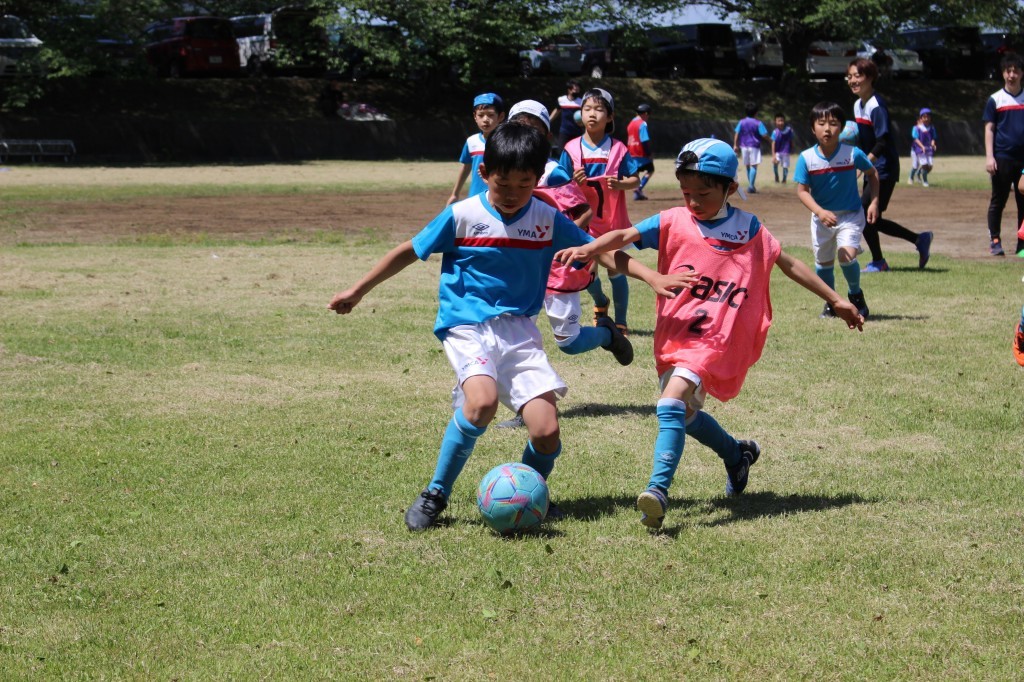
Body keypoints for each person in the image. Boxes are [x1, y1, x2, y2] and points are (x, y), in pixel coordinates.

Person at [328, 122, 694, 531]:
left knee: (546, 431)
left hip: (520, 332)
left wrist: (652, 277)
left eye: (525, 184)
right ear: (484, 173)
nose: (514, 193)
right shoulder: (462, 216)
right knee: (481, 403)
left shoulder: (545, 218)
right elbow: (407, 252)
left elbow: (602, 253)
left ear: (539, 179)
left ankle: (526, 489)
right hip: (467, 326)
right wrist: (358, 290)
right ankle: (436, 493)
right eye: (504, 184)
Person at [554, 138, 864, 530]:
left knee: (669, 405)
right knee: (683, 414)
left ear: (730, 189)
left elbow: (787, 263)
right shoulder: (673, 220)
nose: (694, 201)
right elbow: (620, 240)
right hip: (677, 333)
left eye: (703, 193)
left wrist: (836, 299)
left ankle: (657, 492)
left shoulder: (749, 228)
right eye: (687, 192)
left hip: (718, 336)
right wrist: (592, 250)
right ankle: (737, 455)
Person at [556, 87, 642, 335]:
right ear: (580, 114)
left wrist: (621, 183)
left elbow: (635, 179)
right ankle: (600, 302)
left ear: (610, 116)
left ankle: (621, 321)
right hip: (584, 222)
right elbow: (559, 185)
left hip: (613, 222)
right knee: (584, 271)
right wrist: (573, 180)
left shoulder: (618, 148)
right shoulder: (571, 148)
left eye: (599, 109)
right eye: (587, 109)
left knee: (616, 269)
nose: (592, 114)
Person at [793, 102, 879, 320]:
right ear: (813, 129)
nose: (827, 128)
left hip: (850, 215)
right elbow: (802, 191)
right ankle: (832, 303)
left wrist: (874, 202)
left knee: (845, 255)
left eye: (833, 123)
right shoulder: (806, 158)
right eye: (821, 123)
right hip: (821, 218)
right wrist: (820, 212)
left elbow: (872, 173)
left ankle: (855, 295)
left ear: (842, 128)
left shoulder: (852, 154)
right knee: (823, 265)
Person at [847, 57, 934, 271]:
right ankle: (918, 240)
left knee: (866, 214)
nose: (852, 80)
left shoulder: (877, 105)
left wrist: (864, 164)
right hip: (872, 165)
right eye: (849, 76)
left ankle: (880, 260)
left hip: (884, 166)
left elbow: (882, 141)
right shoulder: (858, 105)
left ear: (870, 78)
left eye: (857, 76)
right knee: (870, 217)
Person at [983, 52, 1024, 257]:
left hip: (1023, 160)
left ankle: (1022, 244)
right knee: (998, 201)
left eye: (1016, 71)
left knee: (1023, 201)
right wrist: (990, 156)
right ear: (1003, 73)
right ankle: (995, 240)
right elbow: (989, 129)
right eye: (1008, 71)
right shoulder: (995, 100)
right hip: (1002, 159)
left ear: (1021, 73)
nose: (1012, 75)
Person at [446, 93, 505, 206]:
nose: (485, 119)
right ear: (475, 117)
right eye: (481, 115)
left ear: (501, 117)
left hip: (500, 198)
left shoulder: (507, 142)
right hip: (476, 197)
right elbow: (466, 167)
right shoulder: (471, 142)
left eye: (491, 115)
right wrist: (455, 193)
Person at [733, 101, 769, 194]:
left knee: (748, 166)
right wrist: (770, 140)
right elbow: (763, 134)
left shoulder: (742, 122)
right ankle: (751, 186)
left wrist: (735, 145)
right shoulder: (758, 123)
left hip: (744, 146)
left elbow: (737, 133)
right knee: (754, 166)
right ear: (756, 112)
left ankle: (751, 185)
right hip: (754, 146)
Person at [627, 103, 655, 200]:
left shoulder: (631, 123)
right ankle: (639, 188)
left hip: (631, 151)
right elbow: (644, 140)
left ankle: (637, 195)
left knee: (637, 172)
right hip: (640, 152)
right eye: (648, 115)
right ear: (645, 113)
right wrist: (649, 153)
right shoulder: (642, 124)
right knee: (651, 169)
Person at [548, 79, 583, 155]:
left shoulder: (581, 102)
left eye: (578, 89)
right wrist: (548, 120)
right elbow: (557, 111)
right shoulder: (562, 100)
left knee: (576, 154)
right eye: (574, 89)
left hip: (577, 132)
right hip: (564, 132)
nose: (576, 91)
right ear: (569, 90)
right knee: (561, 153)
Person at [909, 108, 937, 187]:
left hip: (928, 149)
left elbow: (933, 138)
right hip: (919, 149)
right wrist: (922, 147)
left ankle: (919, 173)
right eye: (924, 117)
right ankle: (924, 181)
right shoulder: (917, 128)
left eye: (928, 117)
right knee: (921, 165)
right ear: (921, 118)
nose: (927, 119)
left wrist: (933, 144)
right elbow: (915, 139)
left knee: (930, 166)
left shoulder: (932, 128)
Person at [770, 113, 794, 184]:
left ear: (784, 121)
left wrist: (792, 148)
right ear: (775, 122)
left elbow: (791, 140)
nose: (780, 122)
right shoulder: (775, 132)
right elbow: (773, 143)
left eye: (782, 120)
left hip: (786, 152)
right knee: (775, 164)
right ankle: (776, 176)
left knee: (785, 167)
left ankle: (784, 179)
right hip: (778, 152)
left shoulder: (789, 130)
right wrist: (773, 154)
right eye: (778, 121)